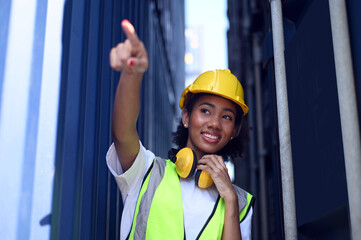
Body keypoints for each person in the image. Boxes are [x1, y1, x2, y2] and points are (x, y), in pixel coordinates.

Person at [106, 19, 254, 240]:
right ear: (186, 117)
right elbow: (122, 132)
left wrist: (230, 201)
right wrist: (133, 73)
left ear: (234, 130)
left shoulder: (240, 203)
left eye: (226, 117)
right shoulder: (148, 172)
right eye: (205, 111)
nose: (214, 123)